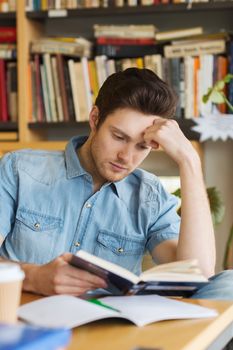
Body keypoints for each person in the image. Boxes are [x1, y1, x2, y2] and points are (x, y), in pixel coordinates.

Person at [0, 68, 232, 299]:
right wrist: (33, 277)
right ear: (95, 119)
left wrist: (188, 160)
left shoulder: (150, 198)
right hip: (25, 322)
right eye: (119, 137)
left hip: (108, 329)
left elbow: (199, 276)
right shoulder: (19, 170)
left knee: (227, 284)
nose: (126, 157)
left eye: (142, 146)